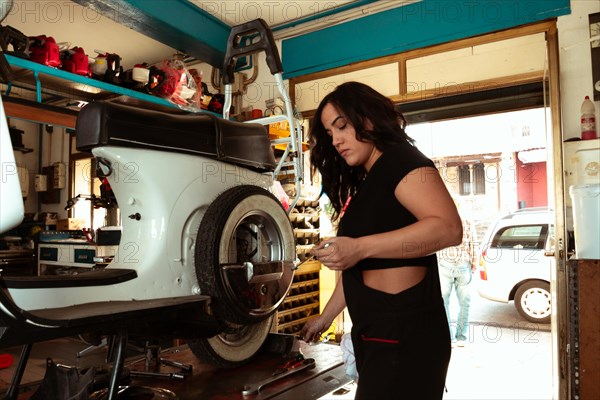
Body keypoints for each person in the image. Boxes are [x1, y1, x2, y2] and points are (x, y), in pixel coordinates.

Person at [301, 82, 463, 399]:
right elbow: (361, 267)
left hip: (403, 335)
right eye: (329, 133)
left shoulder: (402, 161)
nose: (335, 140)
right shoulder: (370, 180)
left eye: (342, 126)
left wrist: (359, 246)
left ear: (369, 119)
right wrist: (325, 318)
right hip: (379, 334)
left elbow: (448, 228)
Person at [438, 212, 477, 347]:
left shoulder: (441, 221)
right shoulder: (467, 221)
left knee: (444, 302)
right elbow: (473, 243)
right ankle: (461, 337)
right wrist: (474, 262)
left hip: (445, 265)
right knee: (465, 302)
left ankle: (450, 338)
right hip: (462, 265)